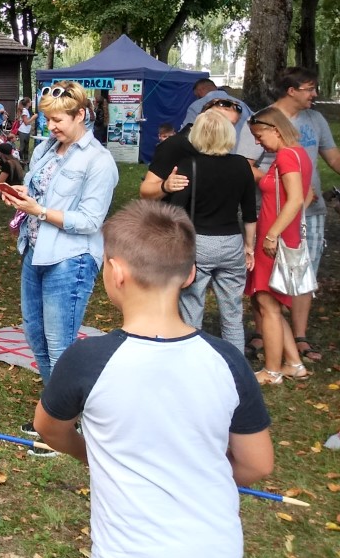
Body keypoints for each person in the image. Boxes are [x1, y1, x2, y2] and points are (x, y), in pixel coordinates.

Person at [34, 201, 273, 558]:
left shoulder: (87, 359)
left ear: (115, 272)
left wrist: (91, 455)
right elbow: (257, 463)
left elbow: (49, 428)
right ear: (190, 274)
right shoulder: (227, 360)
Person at [1, 81, 118, 443]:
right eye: (47, 120)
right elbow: (40, 192)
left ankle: (67, 424)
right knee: (35, 335)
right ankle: (55, 415)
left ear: (81, 114)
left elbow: (90, 221)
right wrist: (21, 194)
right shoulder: (46, 150)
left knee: (60, 344)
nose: (51, 127)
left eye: (58, 120)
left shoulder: (99, 161)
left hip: (71, 259)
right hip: (35, 251)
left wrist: (39, 210)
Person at [142, 108, 258, 352]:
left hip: (198, 244)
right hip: (232, 243)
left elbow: (177, 212)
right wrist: (249, 246)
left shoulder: (188, 165)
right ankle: (235, 364)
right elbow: (249, 212)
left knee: (191, 309)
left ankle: (191, 360)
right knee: (233, 313)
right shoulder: (241, 165)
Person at [256, 67, 340, 364]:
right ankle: (264, 332)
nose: (314, 94)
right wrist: (283, 183)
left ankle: (298, 336)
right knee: (268, 275)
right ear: (291, 90)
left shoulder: (315, 120)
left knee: (304, 271)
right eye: (309, 88)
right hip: (271, 212)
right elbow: (245, 164)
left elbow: (333, 157)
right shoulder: (264, 120)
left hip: (310, 212)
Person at [245, 108, 312, 385]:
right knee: (270, 304)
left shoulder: (286, 156)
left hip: (274, 240)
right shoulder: (298, 154)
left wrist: (273, 233)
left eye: (259, 136)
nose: (257, 142)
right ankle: (294, 363)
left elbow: (296, 199)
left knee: (267, 303)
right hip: (284, 235)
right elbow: (306, 195)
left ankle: (272, 371)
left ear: (274, 129)